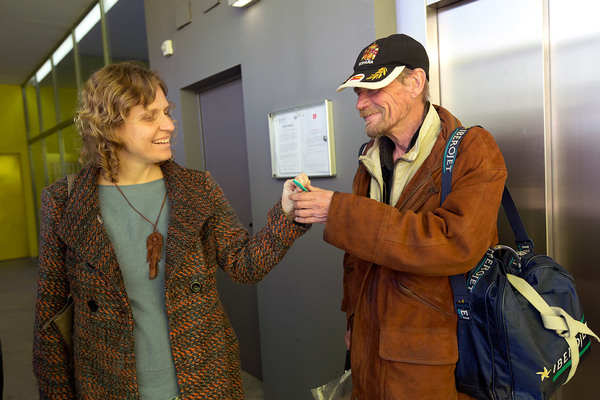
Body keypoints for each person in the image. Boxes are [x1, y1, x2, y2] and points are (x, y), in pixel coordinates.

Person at [32, 62, 310, 399]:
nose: (168, 125)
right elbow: (49, 318)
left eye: (166, 111)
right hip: (109, 385)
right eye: (149, 116)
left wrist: (285, 216)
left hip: (203, 379)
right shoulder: (64, 201)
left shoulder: (197, 187)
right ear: (109, 126)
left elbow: (244, 264)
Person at [290, 34, 507, 399]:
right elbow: (357, 259)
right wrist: (353, 320)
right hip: (368, 352)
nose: (360, 103)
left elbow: (455, 243)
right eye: (357, 92)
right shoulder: (371, 156)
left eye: (373, 89)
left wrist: (338, 210)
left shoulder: (473, 149)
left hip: (433, 363)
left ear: (415, 83)